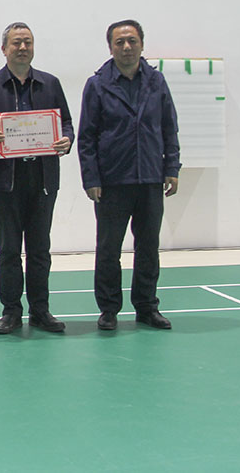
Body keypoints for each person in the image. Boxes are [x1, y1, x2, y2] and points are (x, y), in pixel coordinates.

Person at [0, 23, 73, 335]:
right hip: (5, 180)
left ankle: (41, 311)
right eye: (16, 43)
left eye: (27, 42)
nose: (22, 48)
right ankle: (11, 311)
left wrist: (67, 139)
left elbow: (65, 122)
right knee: (9, 249)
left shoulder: (50, 83)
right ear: (4, 49)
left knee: (40, 250)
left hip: (43, 178)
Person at [77, 19, 180, 331]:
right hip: (112, 182)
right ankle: (109, 309)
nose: (126, 47)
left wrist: (171, 168)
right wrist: (91, 179)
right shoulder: (97, 85)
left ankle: (147, 307)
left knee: (148, 248)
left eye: (132, 41)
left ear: (142, 45)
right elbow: (86, 137)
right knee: (109, 249)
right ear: (110, 47)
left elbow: (169, 127)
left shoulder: (156, 81)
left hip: (150, 178)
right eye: (119, 42)